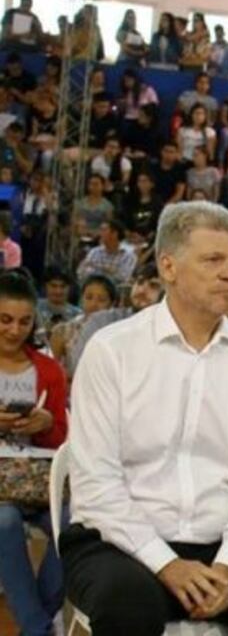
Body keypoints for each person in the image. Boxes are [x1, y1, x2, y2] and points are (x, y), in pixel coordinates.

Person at [63, 202, 228, 636]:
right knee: (128, 609)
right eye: (213, 260)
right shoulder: (113, 350)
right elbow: (96, 482)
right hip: (117, 545)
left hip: (219, 548)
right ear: (168, 266)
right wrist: (165, 563)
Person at [0, 271, 68, 636]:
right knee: (4, 523)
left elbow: (63, 441)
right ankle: (39, 629)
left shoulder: (49, 371)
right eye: (5, 320)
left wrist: (45, 423)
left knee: (77, 524)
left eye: (24, 321)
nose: (15, 330)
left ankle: (34, 624)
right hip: (2, 492)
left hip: (40, 481)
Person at [76, 220, 137, 287]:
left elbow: (123, 277)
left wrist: (96, 267)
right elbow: (81, 272)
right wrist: (110, 271)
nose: (100, 233)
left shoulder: (128, 255)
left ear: (114, 234)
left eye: (104, 230)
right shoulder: (94, 252)